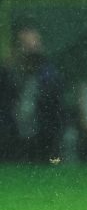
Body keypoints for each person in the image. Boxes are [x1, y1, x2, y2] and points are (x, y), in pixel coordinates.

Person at [0, 25, 65, 163]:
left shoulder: (49, 77)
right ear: (15, 49)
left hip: (41, 139)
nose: (32, 50)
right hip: (11, 140)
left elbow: (56, 112)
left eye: (35, 44)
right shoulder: (6, 76)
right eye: (26, 45)